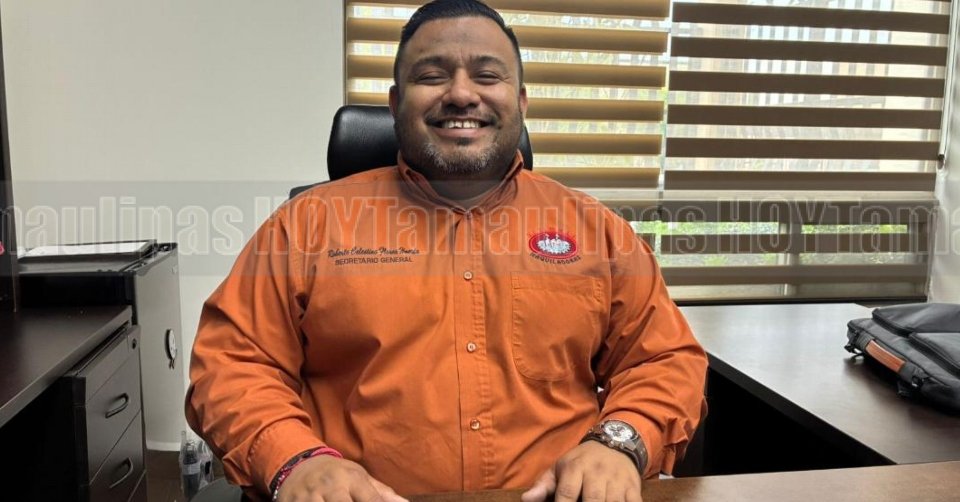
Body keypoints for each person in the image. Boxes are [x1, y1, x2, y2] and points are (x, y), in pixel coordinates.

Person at [185, 1, 708, 501]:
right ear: (396, 104)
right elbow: (233, 367)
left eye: (487, 75)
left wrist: (620, 443)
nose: (461, 94)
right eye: (432, 76)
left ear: (521, 102)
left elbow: (663, 360)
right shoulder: (305, 227)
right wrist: (296, 460)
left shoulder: (597, 231)